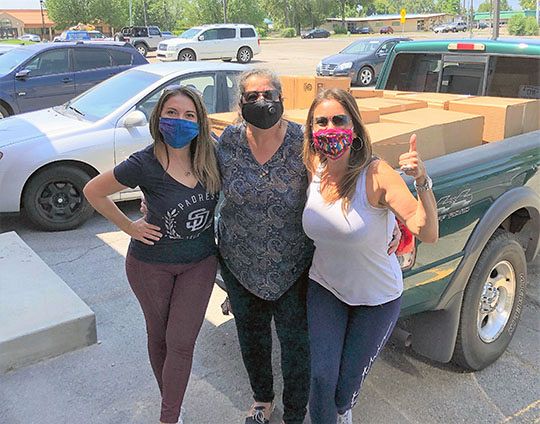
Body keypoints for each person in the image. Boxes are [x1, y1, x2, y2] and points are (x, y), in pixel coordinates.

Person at [83, 85, 221, 424]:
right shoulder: (144, 163)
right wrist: (129, 227)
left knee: (181, 342)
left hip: (200, 262)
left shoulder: (211, 155)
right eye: (172, 113)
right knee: (159, 338)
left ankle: (168, 417)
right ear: (158, 117)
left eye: (189, 115)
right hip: (150, 266)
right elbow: (93, 191)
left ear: (200, 122)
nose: (180, 120)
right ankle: (172, 403)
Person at [301, 88, 438, 424]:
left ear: (355, 127)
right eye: (321, 122)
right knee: (320, 379)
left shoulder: (376, 174)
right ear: (311, 129)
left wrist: (421, 181)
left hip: (377, 299)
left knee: (342, 392)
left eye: (339, 120)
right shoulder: (313, 165)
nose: (330, 128)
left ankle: (342, 410)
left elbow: (427, 231)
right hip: (326, 287)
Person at [216, 68, 313, 424]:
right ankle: (262, 399)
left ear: (281, 99)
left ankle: (295, 412)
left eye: (268, 94)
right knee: (252, 337)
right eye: (252, 96)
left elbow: (336, 183)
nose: (261, 101)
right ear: (240, 103)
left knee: (296, 343)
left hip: (293, 264)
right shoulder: (228, 141)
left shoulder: (303, 141)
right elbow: (199, 178)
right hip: (240, 261)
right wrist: (152, 203)